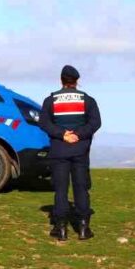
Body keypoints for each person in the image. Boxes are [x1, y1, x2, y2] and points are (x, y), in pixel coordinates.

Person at [39, 65, 102, 241]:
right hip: (80, 150)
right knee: (81, 188)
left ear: (61, 80)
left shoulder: (50, 100)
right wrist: (78, 135)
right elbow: (95, 122)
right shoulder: (88, 100)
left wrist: (62, 135)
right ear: (76, 81)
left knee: (61, 190)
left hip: (59, 150)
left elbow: (44, 123)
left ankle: (61, 229)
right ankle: (83, 228)